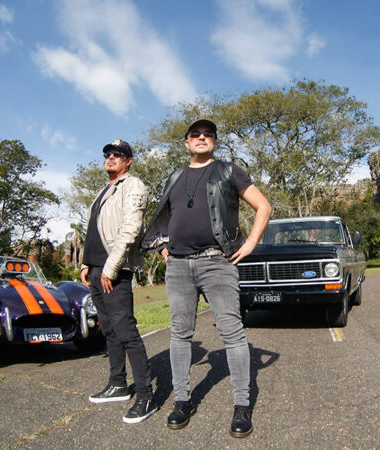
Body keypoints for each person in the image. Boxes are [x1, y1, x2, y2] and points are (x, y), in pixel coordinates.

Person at [142, 118, 272, 438]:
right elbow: (166, 218)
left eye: (208, 134)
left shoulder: (229, 171)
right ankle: (183, 400)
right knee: (180, 334)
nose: (202, 137)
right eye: (195, 134)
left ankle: (241, 406)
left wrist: (251, 243)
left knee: (232, 334)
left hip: (217, 262)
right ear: (186, 143)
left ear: (214, 141)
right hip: (178, 267)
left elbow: (263, 207)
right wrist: (163, 247)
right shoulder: (174, 177)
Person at [80, 139, 156, 424]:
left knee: (126, 331)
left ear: (129, 161)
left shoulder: (133, 186)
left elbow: (131, 229)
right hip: (97, 268)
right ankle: (118, 384)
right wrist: (87, 265)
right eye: (107, 154)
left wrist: (110, 268)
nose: (111, 158)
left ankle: (147, 396)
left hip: (115, 269)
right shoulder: (103, 191)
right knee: (109, 330)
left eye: (118, 154)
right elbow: (93, 232)